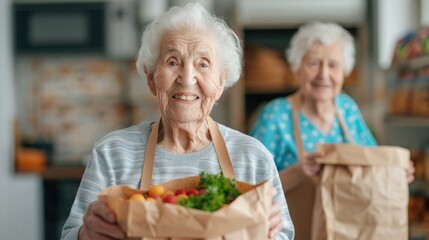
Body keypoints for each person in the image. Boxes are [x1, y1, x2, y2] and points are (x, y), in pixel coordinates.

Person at [60, 3, 294, 240]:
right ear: (152, 79)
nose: (187, 78)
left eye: (203, 64)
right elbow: (70, 235)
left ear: (221, 83)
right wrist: (87, 233)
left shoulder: (253, 157)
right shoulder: (112, 153)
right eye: (173, 62)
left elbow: (283, 233)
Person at [249, 21, 415, 239]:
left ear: (345, 72)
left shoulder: (347, 108)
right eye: (314, 63)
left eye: (334, 65)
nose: (324, 75)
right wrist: (298, 172)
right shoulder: (275, 114)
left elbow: (371, 163)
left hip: (348, 231)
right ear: (298, 68)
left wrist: (393, 171)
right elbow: (248, 189)